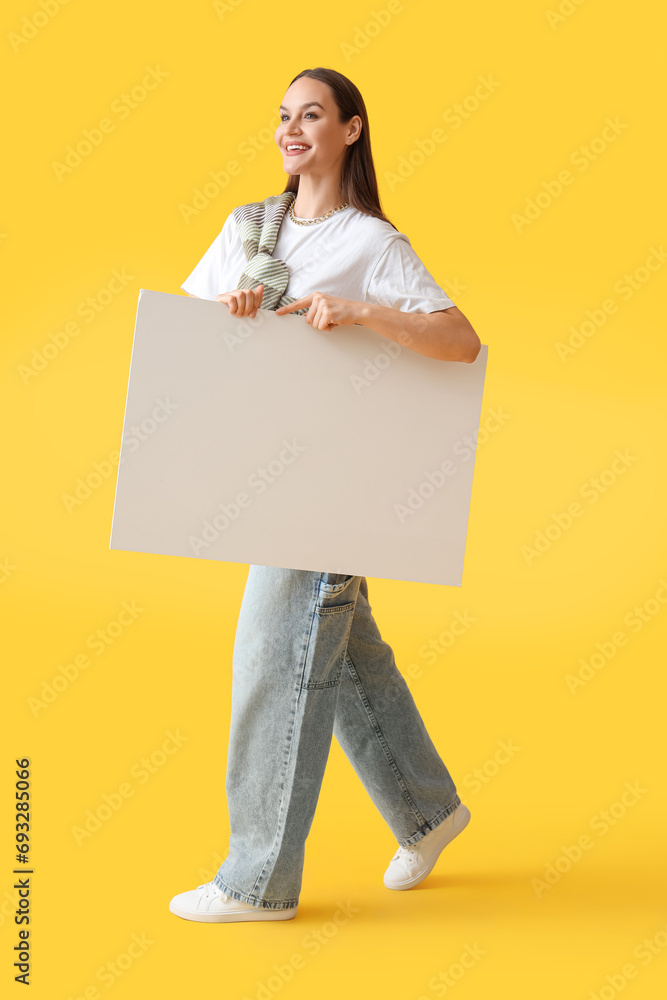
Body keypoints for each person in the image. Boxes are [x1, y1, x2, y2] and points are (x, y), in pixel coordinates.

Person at [169, 67, 480, 924]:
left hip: (333, 485)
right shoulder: (245, 229)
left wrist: (362, 314)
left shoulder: (371, 244)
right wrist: (233, 312)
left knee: (276, 656)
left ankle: (256, 882)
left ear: (350, 128)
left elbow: (458, 342)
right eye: (281, 115)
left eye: (310, 114)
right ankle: (427, 809)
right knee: (339, 654)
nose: (290, 129)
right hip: (260, 473)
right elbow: (186, 334)